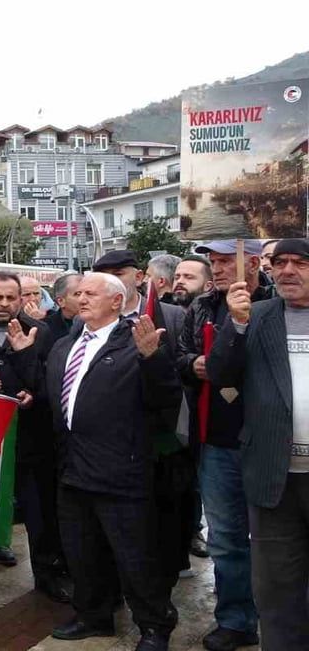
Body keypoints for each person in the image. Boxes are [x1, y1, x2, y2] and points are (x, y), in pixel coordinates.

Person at [47, 273, 180, 651]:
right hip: (73, 469)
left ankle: (154, 626)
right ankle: (94, 615)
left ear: (116, 302)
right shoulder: (66, 344)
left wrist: (153, 359)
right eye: (79, 293)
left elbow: (165, 397)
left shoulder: (137, 342)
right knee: (82, 552)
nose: (82, 298)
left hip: (121, 470)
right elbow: (54, 397)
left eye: (91, 293)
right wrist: (25, 358)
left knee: (135, 556)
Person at [208, 237, 309, 650]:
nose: (286, 271)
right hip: (274, 478)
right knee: (277, 590)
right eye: (280, 262)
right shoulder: (257, 316)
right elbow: (220, 375)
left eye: (300, 263)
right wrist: (237, 323)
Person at [180, 241, 270, 651]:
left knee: (279, 536)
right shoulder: (202, 306)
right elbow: (180, 353)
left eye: (223, 260)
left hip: (272, 438)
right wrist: (191, 364)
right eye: (211, 261)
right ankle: (236, 619)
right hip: (217, 437)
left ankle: (285, 618)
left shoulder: (277, 298)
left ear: (250, 262)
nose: (214, 269)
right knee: (226, 537)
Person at [0, 272, 69, 603]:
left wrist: (32, 394)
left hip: (28, 435)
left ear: (21, 300)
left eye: (11, 298)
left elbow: (50, 379)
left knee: (37, 509)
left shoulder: (41, 331)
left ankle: (45, 574)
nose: (4, 304)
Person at [93, 250, 193, 592]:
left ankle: (160, 591)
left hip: (163, 438)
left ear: (139, 277)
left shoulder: (175, 316)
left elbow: (183, 368)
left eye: (119, 272)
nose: (112, 278)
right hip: (113, 443)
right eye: (103, 273)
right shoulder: (89, 323)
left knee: (164, 517)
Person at [46, 271, 82, 340]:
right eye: (78, 294)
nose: (85, 299)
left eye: (89, 293)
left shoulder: (102, 324)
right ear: (61, 301)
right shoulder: (44, 329)